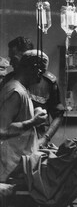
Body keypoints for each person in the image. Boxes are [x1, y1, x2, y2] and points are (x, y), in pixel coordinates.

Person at [0, 49, 48, 182]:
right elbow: (2, 130)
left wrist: (34, 115)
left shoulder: (22, 89)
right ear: (35, 69)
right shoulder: (15, 91)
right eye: (41, 71)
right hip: (12, 167)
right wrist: (33, 122)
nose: (41, 77)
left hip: (20, 161)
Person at [7, 36, 64, 148]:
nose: (10, 63)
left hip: (37, 142)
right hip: (12, 143)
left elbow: (58, 114)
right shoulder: (8, 81)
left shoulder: (48, 82)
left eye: (14, 59)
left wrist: (45, 138)